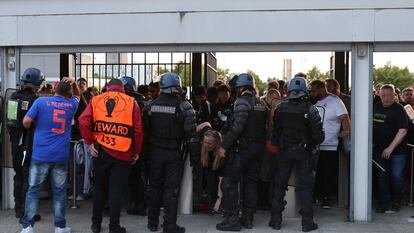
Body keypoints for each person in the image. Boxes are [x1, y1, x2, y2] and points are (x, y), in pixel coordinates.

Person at [78, 79, 144, 233]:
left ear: (107, 88)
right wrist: (137, 151)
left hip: (101, 151)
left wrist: (89, 142)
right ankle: (114, 226)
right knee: (116, 191)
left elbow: (83, 120)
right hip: (123, 153)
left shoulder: (96, 100)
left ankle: (96, 224)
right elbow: (139, 131)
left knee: (99, 189)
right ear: (123, 89)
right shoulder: (131, 102)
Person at [20, 77, 80, 233]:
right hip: (60, 156)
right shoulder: (70, 105)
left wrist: (35, 124)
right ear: (68, 94)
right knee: (59, 192)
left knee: (33, 191)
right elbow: (78, 97)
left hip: (40, 155)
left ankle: (27, 227)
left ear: (54, 90)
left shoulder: (40, 102)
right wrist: (74, 84)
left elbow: (26, 121)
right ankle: (60, 227)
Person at [143, 72, 198, 233]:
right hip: (174, 154)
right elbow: (192, 137)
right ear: (178, 87)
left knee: (154, 187)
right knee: (171, 189)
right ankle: (169, 225)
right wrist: (196, 161)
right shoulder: (185, 106)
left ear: (162, 86)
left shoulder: (150, 105)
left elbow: (145, 132)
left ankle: (152, 223)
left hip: (155, 153)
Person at [269, 76, 324, 232]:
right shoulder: (311, 109)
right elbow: (318, 136)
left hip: (284, 151)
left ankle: (276, 220)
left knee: (279, 185)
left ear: (290, 91)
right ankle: (307, 223)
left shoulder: (281, 108)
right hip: (304, 152)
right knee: (305, 187)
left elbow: (276, 131)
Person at [216, 73, 266, 231]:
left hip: (243, 149)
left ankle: (232, 221)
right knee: (251, 183)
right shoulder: (261, 102)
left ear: (240, 88)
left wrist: (224, 146)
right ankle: (248, 219)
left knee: (230, 183)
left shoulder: (242, 102)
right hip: (258, 148)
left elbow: (238, 127)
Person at [6, 68, 44, 224]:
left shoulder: (13, 97)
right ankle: (25, 214)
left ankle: (18, 210)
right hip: (28, 145)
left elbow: (10, 122)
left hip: (15, 144)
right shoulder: (36, 101)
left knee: (18, 176)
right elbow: (35, 123)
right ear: (37, 84)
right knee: (28, 178)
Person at [310, 80, 350, 209]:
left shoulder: (335, 101)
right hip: (315, 144)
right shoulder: (314, 102)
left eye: (314, 90)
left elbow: (344, 117)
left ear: (322, 89)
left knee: (328, 172)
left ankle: (327, 198)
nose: (312, 93)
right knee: (317, 172)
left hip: (330, 143)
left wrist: (346, 130)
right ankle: (317, 195)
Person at [373, 84, 408, 213]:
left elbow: (403, 131)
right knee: (382, 177)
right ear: (379, 95)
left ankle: (397, 201)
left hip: (397, 152)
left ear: (394, 96)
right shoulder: (376, 106)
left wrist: (390, 148)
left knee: (396, 176)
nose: (386, 99)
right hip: (379, 150)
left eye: (389, 96)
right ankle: (384, 203)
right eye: (383, 96)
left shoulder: (399, 110)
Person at [119, 76, 147, 216]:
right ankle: (139, 205)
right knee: (135, 177)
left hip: (124, 144)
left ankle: (111, 207)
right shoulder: (142, 102)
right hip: (137, 144)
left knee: (117, 177)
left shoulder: (126, 102)